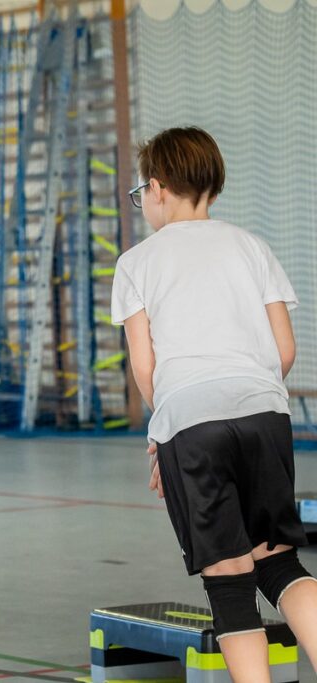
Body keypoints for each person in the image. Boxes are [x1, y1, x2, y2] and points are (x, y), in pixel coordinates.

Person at [112, 126, 317, 681]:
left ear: (156, 188)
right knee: (279, 562)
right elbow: (285, 348)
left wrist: (167, 432)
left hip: (191, 422)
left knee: (229, 584)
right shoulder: (251, 246)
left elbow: (146, 368)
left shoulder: (136, 262)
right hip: (264, 412)